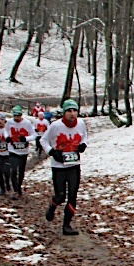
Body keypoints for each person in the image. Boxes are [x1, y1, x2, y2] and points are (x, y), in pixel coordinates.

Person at [43, 99, 88, 236]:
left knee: (73, 196)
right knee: (61, 195)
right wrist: (52, 152)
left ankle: (67, 225)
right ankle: (53, 205)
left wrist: (83, 145)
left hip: (74, 165)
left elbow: (84, 137)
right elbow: (43, 140)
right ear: (64, 112)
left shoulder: (81, 123)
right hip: (59, 167)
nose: (72, 114)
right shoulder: (55, 126)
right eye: (69, 111)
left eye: (74, 111)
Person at [5, 105, 36, 198]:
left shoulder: (27, 123)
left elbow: (34, 135)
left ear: (21, 115)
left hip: (23, 151)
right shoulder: (9, 122)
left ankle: (19, 187)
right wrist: (7, 137)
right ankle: (16, 190)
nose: (16, 118)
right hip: (13, 150)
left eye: (18, 116)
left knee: (21, 171)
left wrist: (26, 139)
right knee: (13, 170)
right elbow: (5, 131)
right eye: (15, 116)